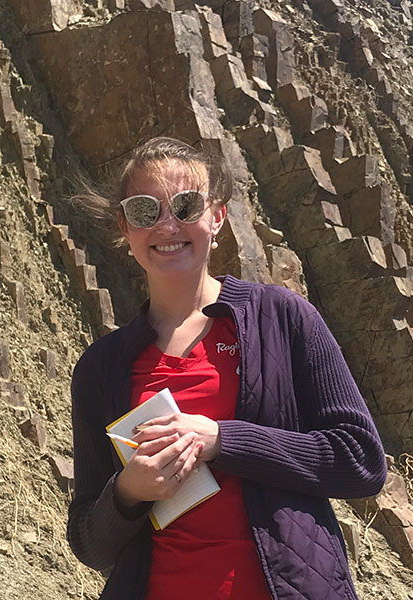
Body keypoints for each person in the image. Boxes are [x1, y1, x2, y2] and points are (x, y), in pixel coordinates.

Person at [67, 137, 387, 600]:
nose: (166, 224)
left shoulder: (281, 317)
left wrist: (221, 439)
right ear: (125, 227)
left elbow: (360, 459)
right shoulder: (102, 367)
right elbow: (88, 542)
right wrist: (128, 492)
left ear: (216, 215)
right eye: (144, 211)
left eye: (185, 205)